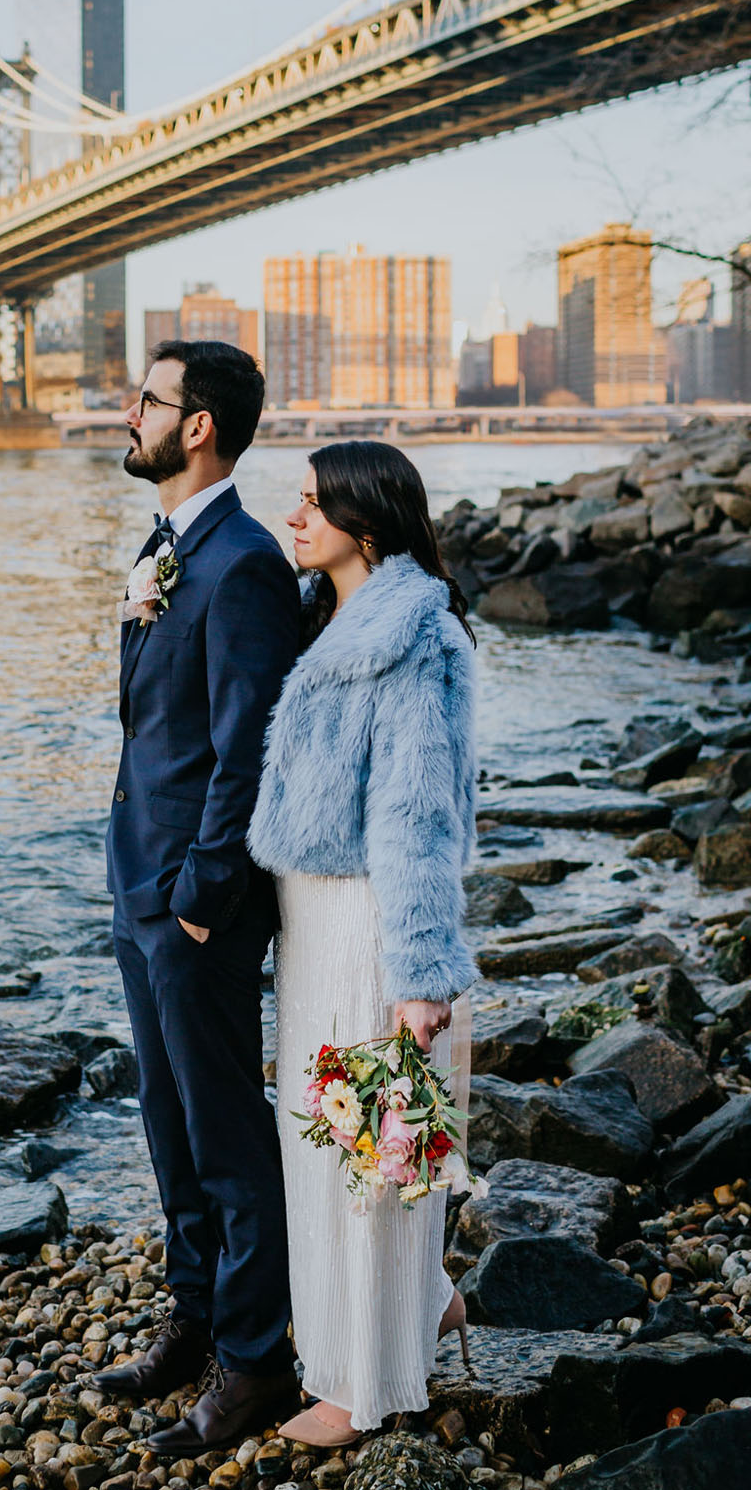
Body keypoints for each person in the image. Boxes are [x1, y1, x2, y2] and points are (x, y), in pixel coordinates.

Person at [247, 439, 479, 1445]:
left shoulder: (409, 637)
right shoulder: (333, 615)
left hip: (371, 924)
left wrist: (422, 974)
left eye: (309, 504)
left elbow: (418, 815)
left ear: (365, 522)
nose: (292, 519)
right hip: (315, 921)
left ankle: (363, 1387)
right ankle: (421, 1300)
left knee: (361, 1151)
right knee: (337, 1134)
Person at [100, 340, 302, 1453]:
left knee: (225, 1129)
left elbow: (249, 748)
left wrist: (199, 893)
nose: (128, 413)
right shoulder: (167, 543)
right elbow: (150, 719)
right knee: (164, 1119)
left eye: (148, 400)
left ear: (200, 427)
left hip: (193, 899)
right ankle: (193, 1317)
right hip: (139, 877)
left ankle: (255, 1359)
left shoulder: (243, 563)